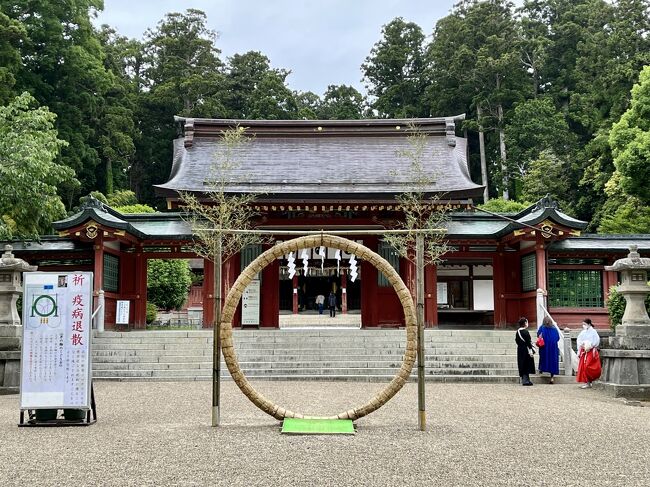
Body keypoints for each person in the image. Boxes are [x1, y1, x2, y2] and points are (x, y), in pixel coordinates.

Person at [576, 318, 601, 388]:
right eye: (583, 324)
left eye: (585, 324)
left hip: (590, 351)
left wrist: (590, 345)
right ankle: (587, 382)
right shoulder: (583, 332)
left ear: (589, 324)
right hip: (584, 351)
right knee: (583, 367)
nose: (583, 326)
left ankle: (592, 379)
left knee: (588, 366)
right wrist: (582, 345)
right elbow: (579, 340)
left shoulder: (593, 332)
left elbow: (596, 341)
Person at [537, 317, 560, 384]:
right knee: (553, 361)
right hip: (553, 348)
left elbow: (538, 335)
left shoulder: (542, 327)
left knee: (543, 358)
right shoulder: (554, 329)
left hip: (544, 347)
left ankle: (541, 369)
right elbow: (558, 338)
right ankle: (552, 378)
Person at [515, 317, 536, 386]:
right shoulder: (525, 332)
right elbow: (528, 342)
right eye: (527, 322)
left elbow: (516, 340)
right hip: (526, 350)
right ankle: (526, 380)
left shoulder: (518, 332)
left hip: (520, 349)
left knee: (522, 363)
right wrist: (531, 350)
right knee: (526, 364)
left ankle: (525, 379)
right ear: (525, 323)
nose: (527, 323)